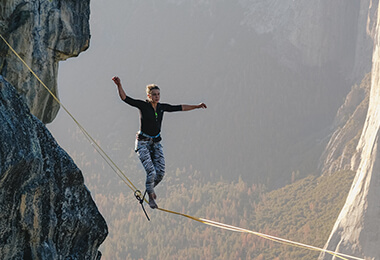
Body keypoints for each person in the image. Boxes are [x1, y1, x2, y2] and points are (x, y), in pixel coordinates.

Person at [112, 76, 207, 209]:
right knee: (151, 171)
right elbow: (125, 98)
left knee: (160, 173)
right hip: (143, 143)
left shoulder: (162, 107)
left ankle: (149, 188)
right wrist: (119, 85)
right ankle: (151, 197)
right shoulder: (143, 106)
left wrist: (196, 106)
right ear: (148, 96)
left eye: (158, 94)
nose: (157, 97)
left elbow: (180, 107)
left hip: (156, 143)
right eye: (154, 95)